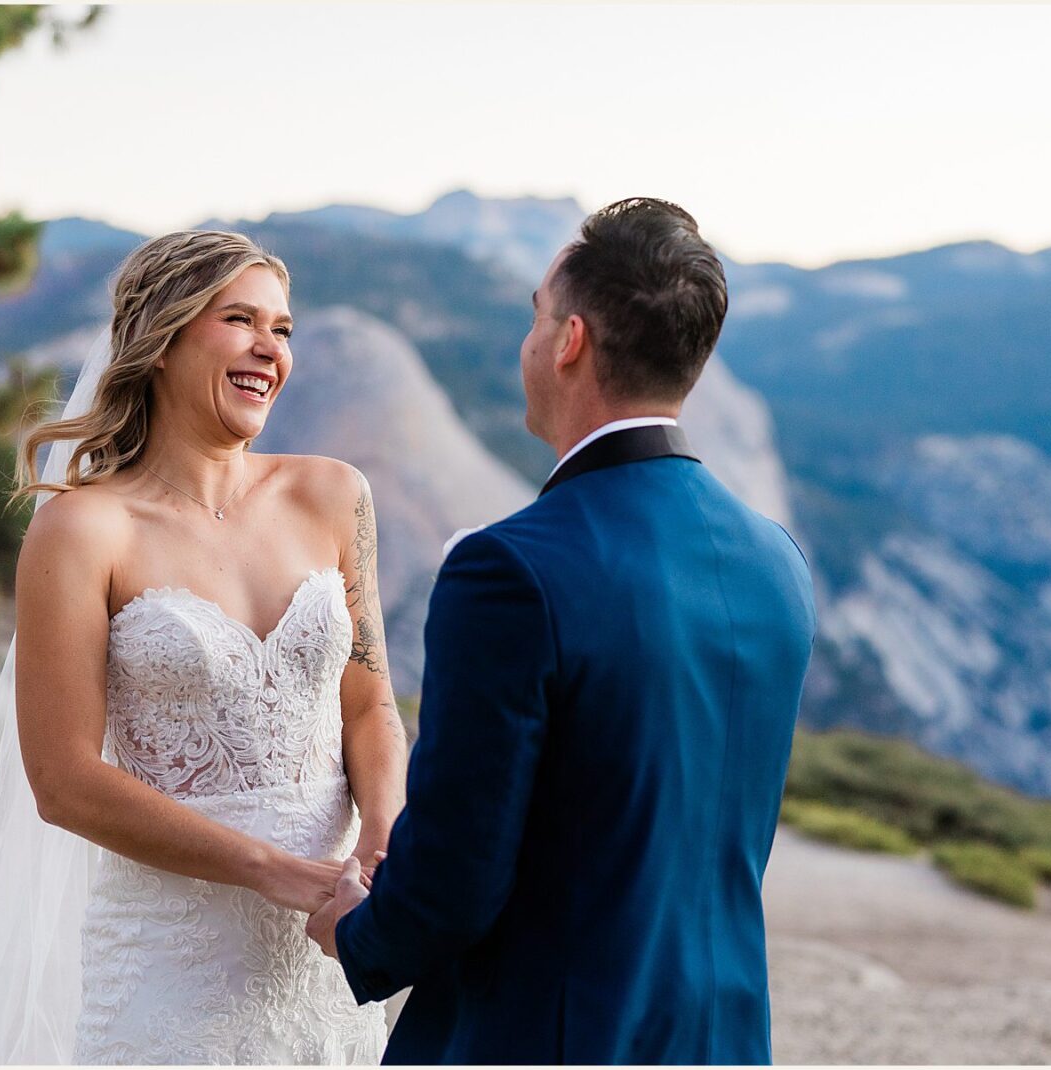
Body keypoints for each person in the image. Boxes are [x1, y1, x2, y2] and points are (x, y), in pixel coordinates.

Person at [305, 198, 817, 1064]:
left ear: (570, 341)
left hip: (545, 1035)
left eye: (536, 318)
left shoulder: (509, 571)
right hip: (721, 1041)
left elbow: (458, 876)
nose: (528, 342)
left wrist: (358, 930)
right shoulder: (779, 563)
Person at [0, 230, 406, 1064]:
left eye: (282, 328)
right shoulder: (82, 529)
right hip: (172, 967)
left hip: (327, 950)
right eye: (239, 320)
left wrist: (384, 841)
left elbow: (368, 701)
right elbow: (62, 782)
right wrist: (276, 870)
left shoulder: (333, 494)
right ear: (163, 340)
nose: (268, 349)